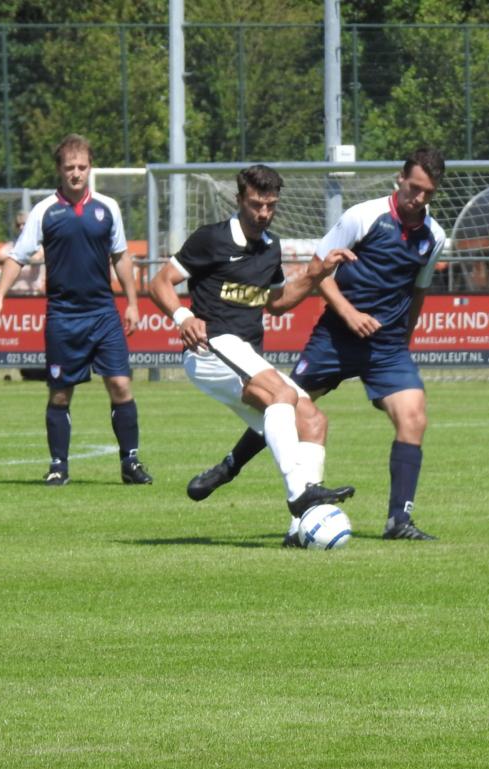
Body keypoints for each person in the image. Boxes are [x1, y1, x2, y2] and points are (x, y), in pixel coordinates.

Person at [187, 147, 448, 541]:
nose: (419, 198)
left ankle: (399, 521)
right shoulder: (363, 216)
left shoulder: (435, 236)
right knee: (284, 404)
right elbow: (319, 269)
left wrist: (404, 339)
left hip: (388, 346)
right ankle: (230, 465)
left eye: (428, 192)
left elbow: (419, 291)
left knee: (414, 418)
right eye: (414, 188)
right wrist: (348, 313)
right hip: (336, 338)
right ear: (400, 179)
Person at [147, 165, 357, 545]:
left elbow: (277, 302)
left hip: (245, 353)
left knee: (312, 419)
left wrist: (316, 275)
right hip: (210, 348)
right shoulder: (210, 239)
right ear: (240, 199)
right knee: (283, 395)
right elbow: (159, 282)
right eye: (257, 205)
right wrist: (182, 316)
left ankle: (302, 530)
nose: (264, 213)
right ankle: (299, 495)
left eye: (271, 206)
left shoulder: (270, 247)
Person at [0, 133, 152, 487]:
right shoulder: (45, 211)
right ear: (59, 171)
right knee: (60, 392)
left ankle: (131, 462)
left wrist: (134, 303)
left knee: (121, 385)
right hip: (63, 316)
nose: (76, 173)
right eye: (69, 168)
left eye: (82, 167)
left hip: (103, 313)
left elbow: (121, 257)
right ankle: (58, 465)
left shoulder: (108, 208)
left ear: (90, 168)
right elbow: (18, 256)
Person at [0, 211, 47, 381]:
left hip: (32, 298)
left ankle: (35, 373)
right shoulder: (12, 244)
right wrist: (17, 257)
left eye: (25, 223)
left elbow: (37, 258)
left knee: (34, 339)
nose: (22, 227)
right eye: (18, 224)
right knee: (10, 339)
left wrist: (16, 258)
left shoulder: (39, 244)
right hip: (13, 299)